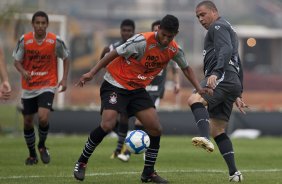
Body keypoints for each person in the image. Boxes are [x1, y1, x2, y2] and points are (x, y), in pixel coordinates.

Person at [73, 14, 211, 183]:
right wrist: (91, 73)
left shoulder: (173, 49)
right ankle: (82, 161)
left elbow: (186, 68)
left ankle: (149, 173)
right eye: (164, 35)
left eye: (170, 36)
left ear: (176, 34)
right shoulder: (141, 41)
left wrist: (198, 88)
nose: (166, 39)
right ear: (158, 30)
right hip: (115, 83)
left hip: (137, 89)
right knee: (108, 124)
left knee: (155, 128)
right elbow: (113, 53)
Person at [187, 1, 247, 182]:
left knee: (194, 99)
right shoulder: (228, 28)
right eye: (198, 16)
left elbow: (227, 50)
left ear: (214, 12)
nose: (200, 19)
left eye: (203, 14)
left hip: (222, 76)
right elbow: (237, 60)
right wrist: (238, 92)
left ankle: (204, 137)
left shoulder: (218, 26)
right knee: (218, 129)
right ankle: (234, 173)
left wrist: (217, 71)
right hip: (232, 80)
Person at [111, 20, 181, 162]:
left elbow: (176, 67)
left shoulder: (170, 50)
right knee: (125, 118)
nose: (164, 38)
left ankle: (128, 151)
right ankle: (132, 148)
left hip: (155, 89)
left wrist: (177, 83)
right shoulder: (146, 45)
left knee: (139, 122)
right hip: (140, 87)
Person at [13, 11, 70, 165]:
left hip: (48, 84)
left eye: (43, 23)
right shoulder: (24, 40)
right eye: (37, 23)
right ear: (33, 24)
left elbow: (65, 58)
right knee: (28, 122)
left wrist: (64, 79)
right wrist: (23, 71)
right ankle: (32, 155)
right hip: (29, 87)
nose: (40, 26)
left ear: (47, 24)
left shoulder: (55, 41)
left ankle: (42, 145)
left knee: (43, 117)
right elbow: (16, 61)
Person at [100, 19, 136, 162]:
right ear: (120, 31)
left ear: (133, 31)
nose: (127, 33)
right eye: (124, 30)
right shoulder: (112, 47)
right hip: (112, 87)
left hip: (128, 88)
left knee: (124, 116)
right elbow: (102, 61)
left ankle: (119, 148)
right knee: (107, 118)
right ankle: (123, 142)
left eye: (129, 30)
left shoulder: (136, 47)